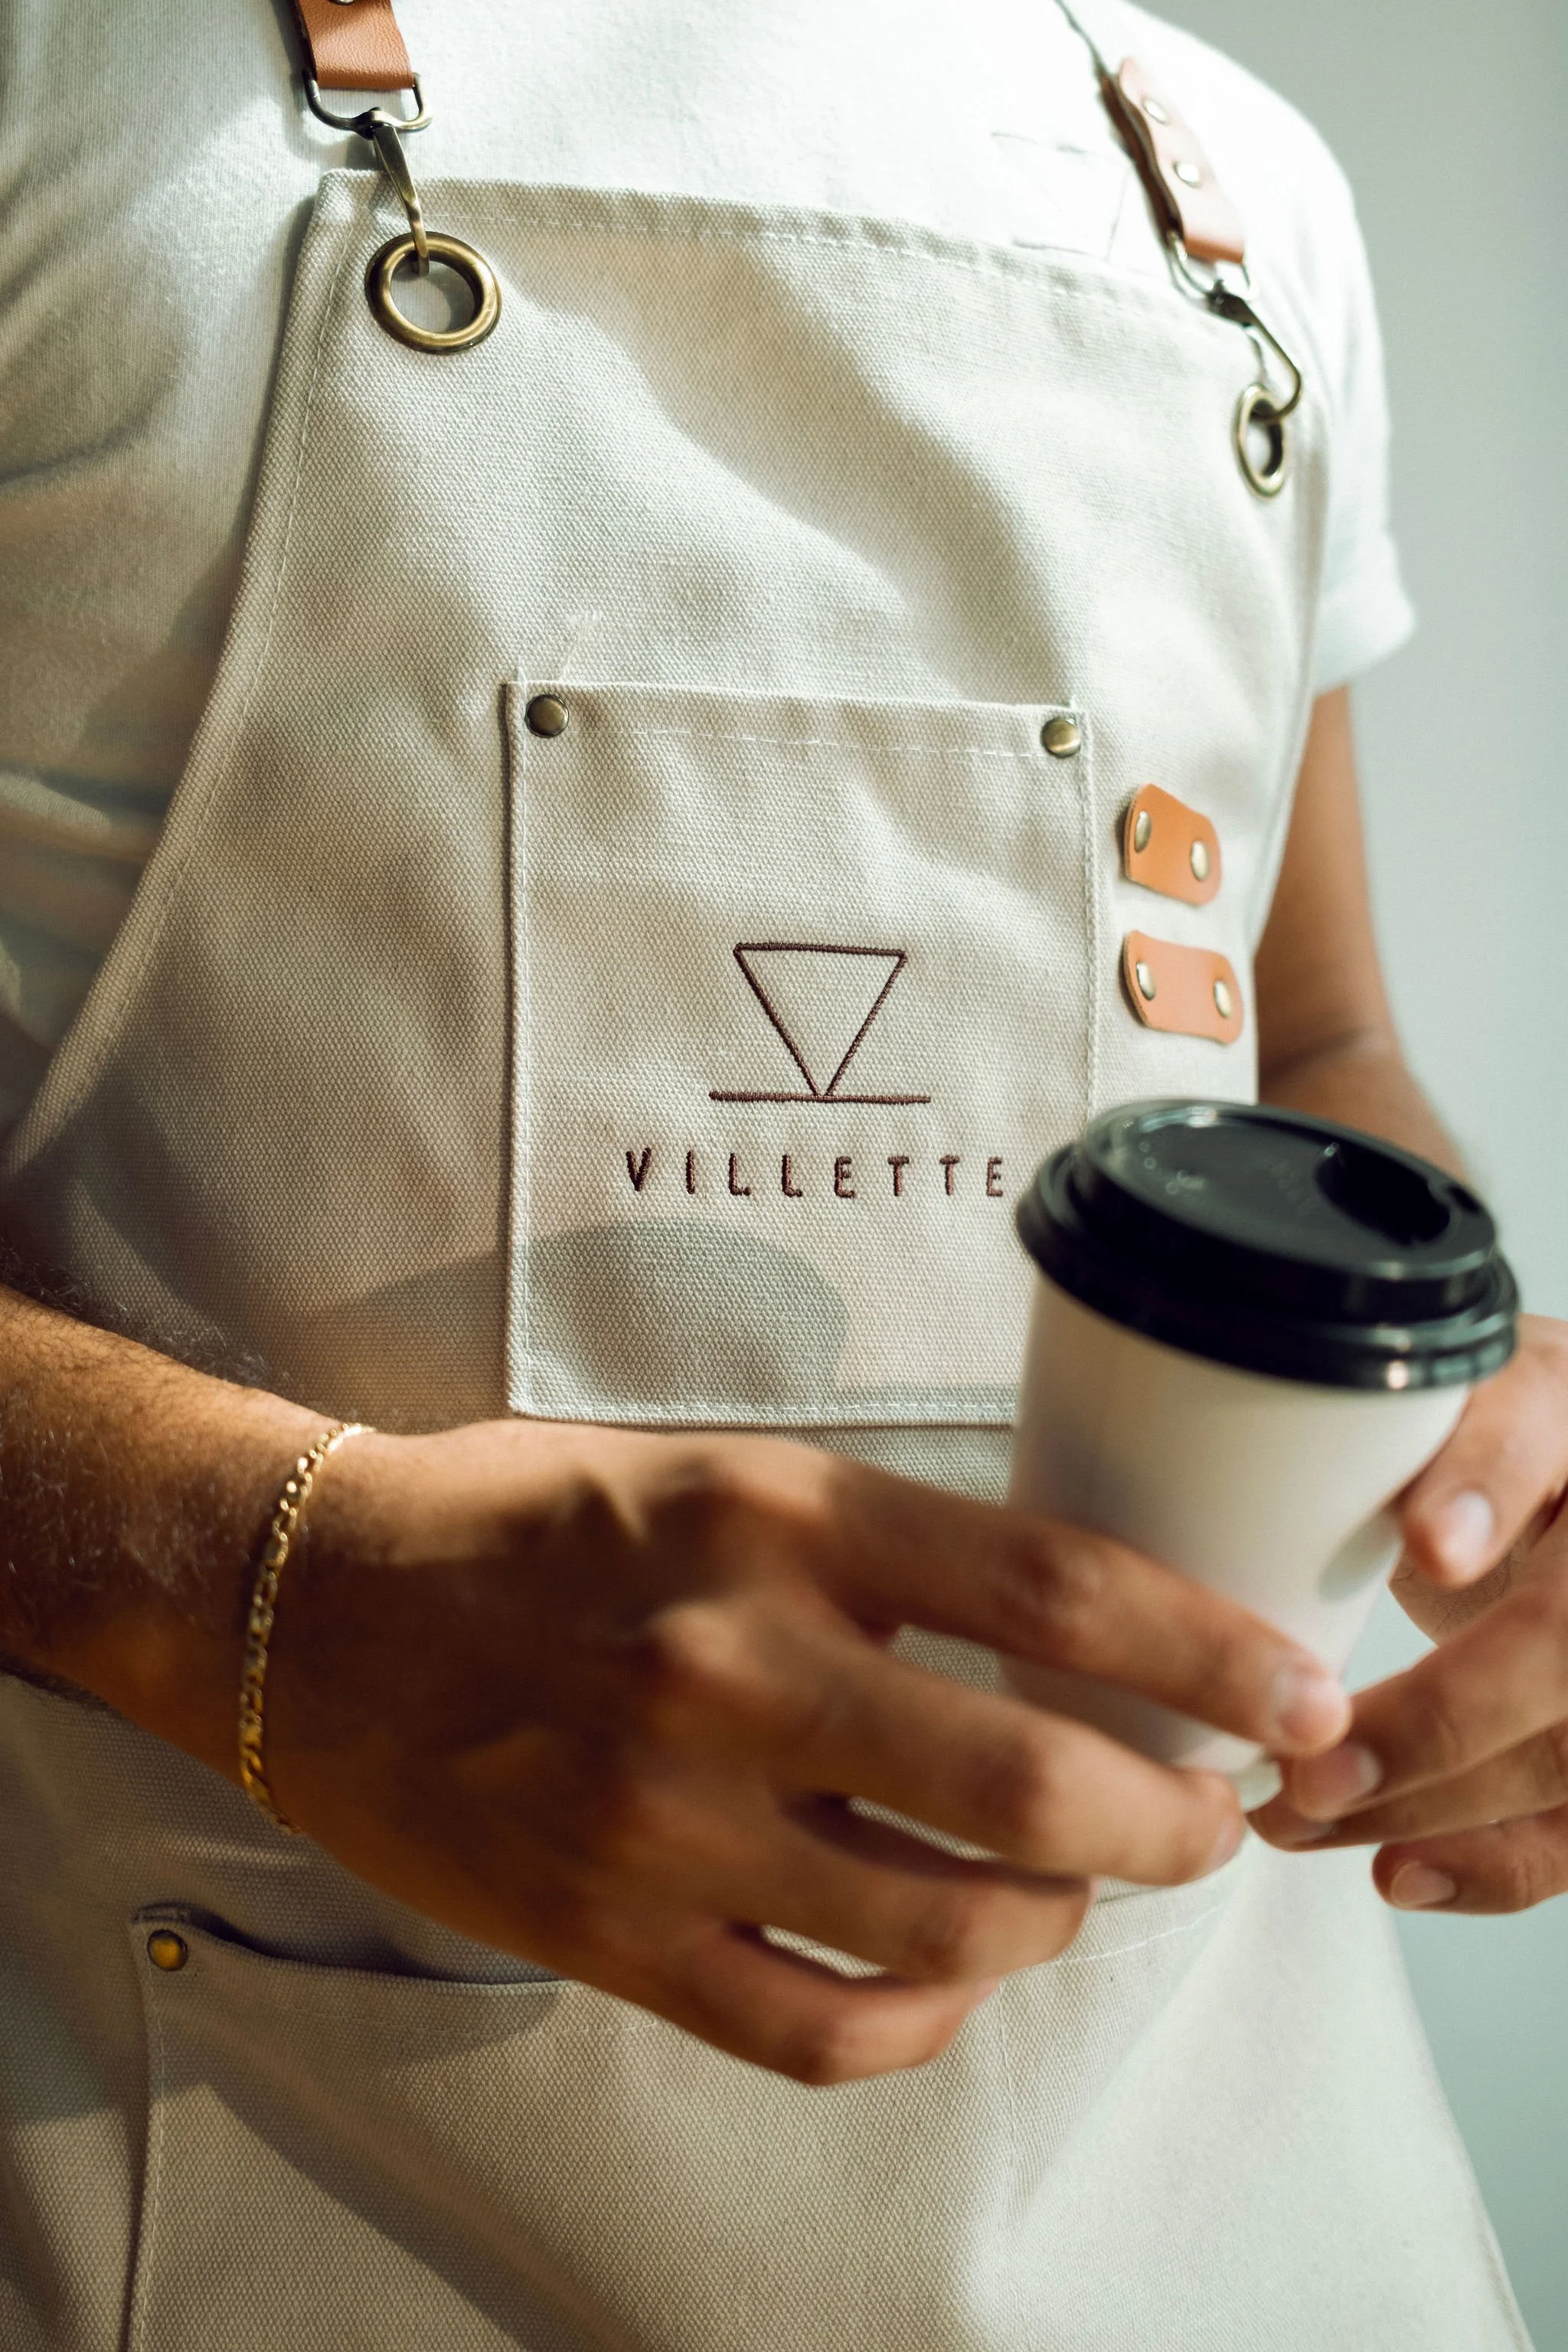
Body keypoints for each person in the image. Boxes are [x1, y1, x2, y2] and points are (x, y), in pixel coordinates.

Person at [0, 0, 1561, 2343]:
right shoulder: (65, 80)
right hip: (248, 2187)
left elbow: (1311, 1040)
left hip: (1249, 2209)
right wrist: (259, 1590)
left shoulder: (1237, 192)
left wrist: (1486, 1429)